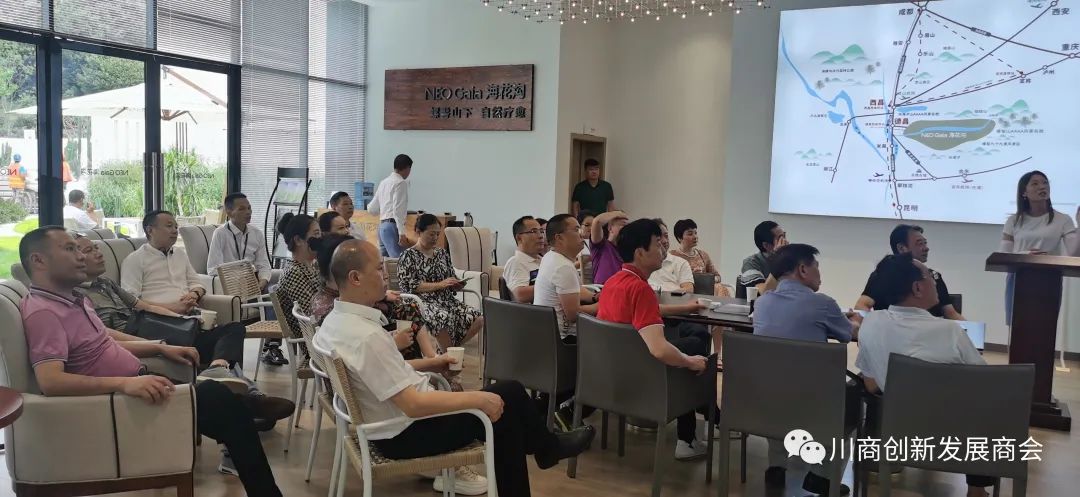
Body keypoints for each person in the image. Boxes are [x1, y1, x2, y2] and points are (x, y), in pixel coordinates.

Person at [314, 239, 595, 497]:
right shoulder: (367, 336)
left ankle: (547, 449)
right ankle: (547, 449)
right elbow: (412, 405)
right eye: (378, 269)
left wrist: (434, 363)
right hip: (404, 433)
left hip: (388, 425)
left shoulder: (335, 322)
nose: (386, 275)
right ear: (355, 278)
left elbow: (380, 370)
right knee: (503, 408)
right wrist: (478, 399)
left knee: (508, 397)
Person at [20, 226, 284, 496]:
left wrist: (160, 348)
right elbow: (51, 381)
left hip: (140, 381)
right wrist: (124, 384)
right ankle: (250, 406)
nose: (80, 256)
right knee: (223, 404)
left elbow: (105, 339)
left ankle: (246, 406)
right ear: (38, 260)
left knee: (224, 406)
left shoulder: (73, 300)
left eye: (79, 249)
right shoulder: (44, 313)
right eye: (69, 249)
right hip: (119, 401)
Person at [73, 234, 294, 427]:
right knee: (216, 351)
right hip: (139, 338)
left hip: (157, 326)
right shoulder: (76, 297)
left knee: (233, 330)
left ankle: (217, 370)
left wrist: (181, 319)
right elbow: (104, 335)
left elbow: (143, 306)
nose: (98, 253)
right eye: (89, 250)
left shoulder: (107, 283)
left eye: (96, 247)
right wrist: (153, 344)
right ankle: (251, 400)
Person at [855, 253, 991, 497]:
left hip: (895, 432)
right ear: (917, 288)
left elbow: (871, 384)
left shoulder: (870, 324)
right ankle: (976, 489)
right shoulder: (951, 332)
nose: (935, 281)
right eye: (930, 276)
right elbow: (985, 382)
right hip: (954, 438)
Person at [596, 218, 711, 460]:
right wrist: (690, 361)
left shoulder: (613, 282)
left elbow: (648, 311)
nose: (663, 249)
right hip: (642, 377)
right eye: (658, 244)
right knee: (694, 350)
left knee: (690, 342)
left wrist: (686, 308)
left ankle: (705, 415)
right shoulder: (640, 289)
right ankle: (690, 436)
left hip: (611, 371)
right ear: (640, 252)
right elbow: (659, 350)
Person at [753, 243, 859, 495]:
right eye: (816, 267)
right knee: (853, 400)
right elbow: (848, 334)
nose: (820, 274)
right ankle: (822, 476)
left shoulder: (762, 303)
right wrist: (855, 320)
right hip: (812, 402)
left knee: (776, 378)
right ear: (802, 269)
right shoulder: (823, 304)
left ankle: (777, 467)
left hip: (763, 398)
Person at [311, 234, 439, 360]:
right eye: (379, 268)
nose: (385, 275)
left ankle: (431, 357)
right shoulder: (340, 315)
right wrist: (392, 343)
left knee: (408, 310)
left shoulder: (340, 307)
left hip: (384, 347)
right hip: (387, 357)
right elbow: (365, 356)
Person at [999, 170, 1080, 325]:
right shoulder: (1013, 220)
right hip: (1018, 278)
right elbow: (1004, 255)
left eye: (1045, 183)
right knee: (1016, 327)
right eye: (1035, 184)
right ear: (1024, 192)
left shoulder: (1063, 219)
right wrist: (1026, 255)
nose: (1042, 187)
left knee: (1045, 326)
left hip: (1049, 279)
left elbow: (1074, 254)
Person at [398, 214, 484, 351]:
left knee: (478, 318)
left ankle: (448, 352)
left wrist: (456, 284)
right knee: (442, 317)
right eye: (431, 234)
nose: (435, 238)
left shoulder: (442, 254)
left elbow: (450, 276)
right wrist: (441, 284)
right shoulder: (408, 256)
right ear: (419, 232)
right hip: (420, 301)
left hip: (446, 300)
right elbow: (409, 285)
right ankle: (449, 356)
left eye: (438, 234)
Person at [855, 224, 964, 320]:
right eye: (920, 244)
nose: (926, 248)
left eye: (925, 243)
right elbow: (862, 305)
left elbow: (951, 313)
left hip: (929, 333)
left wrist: (970, 330)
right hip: (891, 333)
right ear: (902, 248)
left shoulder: (934, 277)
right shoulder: (882, 275)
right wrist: (872, 325)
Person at [649, 218, 720, 358]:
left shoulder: (680, 262)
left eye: (666, 235)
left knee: (701, 335)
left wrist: (665, 295)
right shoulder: (642, 268)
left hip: (675, 314)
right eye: (659, 237)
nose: (664, 241)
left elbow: (688, 289)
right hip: (651, 321)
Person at [533, 214, 600, 341]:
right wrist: (601, 305)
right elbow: (573, 315)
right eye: (576, 230)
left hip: (544, 334)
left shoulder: (551, 256)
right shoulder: (563, 267)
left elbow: (574, 289)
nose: (581, 234)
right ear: (559, 238)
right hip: (562, 340)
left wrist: (594, 297)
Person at [274, 213, 323, 368]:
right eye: (316, 234)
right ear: (298, 240)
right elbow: (314, 313)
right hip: (316, 343)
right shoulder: (294, 272)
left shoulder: (312, 266)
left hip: (324, 334)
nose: (320, 239)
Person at [207, 193, 272, 290]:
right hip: (230, 286)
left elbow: (263, 265)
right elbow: (213, 269)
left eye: (249, 208)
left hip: (253, 284)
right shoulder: (220, 233)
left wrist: (262, 282)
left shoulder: (257, 233)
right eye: (242, 209)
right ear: (229, 213)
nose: (248, 212)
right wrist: (238, 276)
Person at [670, 218, 730, 297]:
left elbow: (718, 277)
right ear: (679, 238)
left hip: (704, 291)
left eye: (696, 233)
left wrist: (705, 278)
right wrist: (691, 276)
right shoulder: (672, 256)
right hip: (683, 292)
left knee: (721, 287)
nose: (695, 236)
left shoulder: (703, 255)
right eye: (690, 234)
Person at [369, 154, 413, 257]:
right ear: (407, 168)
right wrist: (402, 233)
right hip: (392, 227)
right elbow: (398, 211)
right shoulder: (400, 183)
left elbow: (371, 209)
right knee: (399, 261)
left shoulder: (383, 182)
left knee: (384, 263)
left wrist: (385, 211)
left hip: (382, 227)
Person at [737, 221, 785, 298]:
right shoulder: (751, 263)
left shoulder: (790, 260)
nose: (785, 242)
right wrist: (780, 260)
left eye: (784, 236)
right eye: (780, 238)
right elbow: (764, 292)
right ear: (766, 245)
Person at [503, 216, 544, 303]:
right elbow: (520, 295)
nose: (541, 236)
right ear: (519, 238)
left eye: (541, 231)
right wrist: (553, 286)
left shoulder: (543, 260)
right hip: (533, 310)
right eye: (534, 231)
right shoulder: (516, 262)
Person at [589, 210, 629, 284]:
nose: (627, 229)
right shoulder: (601, 245)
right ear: (610, 228)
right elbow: (597, 221)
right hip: (603, 288)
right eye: (623, 225)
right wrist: (618, 213)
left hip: (622, 287)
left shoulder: (627, 250)